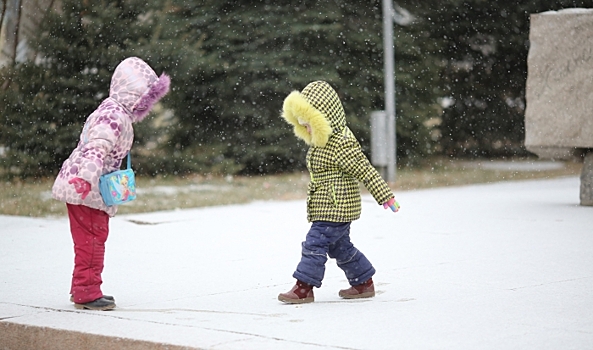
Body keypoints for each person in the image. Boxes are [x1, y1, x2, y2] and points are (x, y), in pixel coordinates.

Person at [52, 57, 170, 310]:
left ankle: (81, 287)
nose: (145, 105)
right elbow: (97, 147)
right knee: (93, 240)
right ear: (133, 93)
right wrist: (85, 178)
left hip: (89, 188)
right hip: (87, 188)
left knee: (88, 240)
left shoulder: (114, 111)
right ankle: (87, 292)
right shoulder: (113, 117)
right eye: (144, 97)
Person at [278, 80, 399, 304]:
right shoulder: (322, 141)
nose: (306, 129)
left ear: (323, 118)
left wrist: (385, 195)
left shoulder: (341, 143)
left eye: (310, 124)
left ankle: (304, 287)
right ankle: (363, 282)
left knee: (315, 243)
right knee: (340, 247)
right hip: (329, 203)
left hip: (336, 206)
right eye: (303, 125)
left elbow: (365, 169)